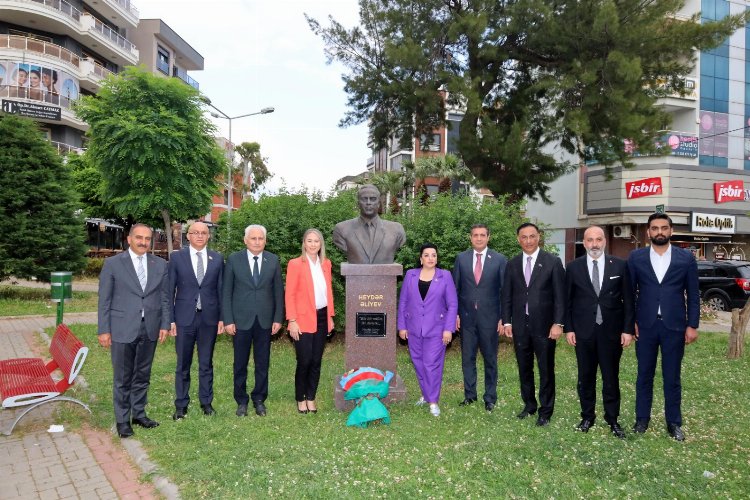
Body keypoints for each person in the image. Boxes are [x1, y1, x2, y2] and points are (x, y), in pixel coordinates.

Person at [628, 213, 699, 441]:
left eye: (664, 228)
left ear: (671, 230)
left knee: (672, 377)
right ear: (648, 232)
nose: (660, 232)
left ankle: (674, 423)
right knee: (644, 375)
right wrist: (630, 323)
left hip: (674, 327)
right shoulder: (636, 257)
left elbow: (693, 294)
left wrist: (692, 325)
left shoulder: (686, 258)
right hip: (645, 327)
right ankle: (642, 419)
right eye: (655, 228)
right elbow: (629, 294)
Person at [97, 224, 170, 438]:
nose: (143, 242)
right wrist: (104, 329)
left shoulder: (160, 264)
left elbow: (165, 298)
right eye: (139, 237)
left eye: (147, 238)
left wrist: (165, 324)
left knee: (143, 374)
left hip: (150, 327)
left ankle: (139, 413)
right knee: (123, 377)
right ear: (129, 239)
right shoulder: (113, 264)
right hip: (122, 327)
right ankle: (122, 420)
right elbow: (104, 300)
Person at [565, 226, 635, 439]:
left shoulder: (620, 265)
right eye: (590, 240)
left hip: (611, 333)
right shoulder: (573, 267)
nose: (594, 244)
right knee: (585, 377)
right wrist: (569, 328)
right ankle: (587, 416)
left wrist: (627, 330)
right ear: (584, 242)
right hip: (583, 332)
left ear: (604, 241)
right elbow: (567, 302)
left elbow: (629, 300)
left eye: (598, 239)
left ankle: (612, 419)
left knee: (610, 377)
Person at [502, 222, 565, 426]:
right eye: (524, 237)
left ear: (539, 237)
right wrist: (507, 321)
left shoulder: (552, 262)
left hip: (545, 326)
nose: (528, 240)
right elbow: (507, 295)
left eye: (532, 236)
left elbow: (560, 296)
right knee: (524, 367)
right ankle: (529, 405)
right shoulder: (512, 264)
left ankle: (545, 411)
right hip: (520, 325)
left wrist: (558, 323)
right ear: (518, 239)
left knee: (546, 369)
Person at [223, 224, 284, 417]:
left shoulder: (272, 260)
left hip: (265, 321)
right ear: (245, 240)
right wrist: (228, 319)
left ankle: (259, 399)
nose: (257, 242)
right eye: (253, 238)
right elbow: (226, 292)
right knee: (240, 363)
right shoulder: (234, 259)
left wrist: (278, 318)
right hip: (240, 320)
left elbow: (278, 292)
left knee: (262, 363)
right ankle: (241, 401)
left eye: (260, 238)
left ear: (265, 241)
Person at [168, 221, 224, 420]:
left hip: (209, 318)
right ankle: (181, 405)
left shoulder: (217, 259)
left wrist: (222, 318)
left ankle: (206, 403)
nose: (200, 236)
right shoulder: (177, 258)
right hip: (184, 319)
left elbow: (221, 290)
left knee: (206, 363)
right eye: (196, 232)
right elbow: (169, 291)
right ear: (188, 236)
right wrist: (170, 320)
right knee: (183, 364)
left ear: (208, 236)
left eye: (204, 233)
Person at [452, 224, 507, 412]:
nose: (479, 238)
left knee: (490, 359)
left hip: (490, 319)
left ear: (488, 237)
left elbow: (504, 291)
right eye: (475, 235)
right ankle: (470, 395)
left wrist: (503, 317)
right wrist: (455, 314)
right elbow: (455, 289)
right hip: (466, 318)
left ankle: (490, 397)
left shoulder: (499, 260)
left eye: (482, 235)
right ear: (470, 237)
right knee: (467, 359)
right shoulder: (461, 259)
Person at [399, 243, 458, 417]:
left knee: (431, 364)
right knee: (418, 363)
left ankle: (433, 402)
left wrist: (448, 329)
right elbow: (403, 302)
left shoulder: (445, 276)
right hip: (413, 328)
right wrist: (402, 326)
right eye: (426, 255)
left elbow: (452, 304)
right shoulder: (410, 275)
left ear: (437, 258)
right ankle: (426, 395)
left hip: (437, 329)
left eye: (434, 255)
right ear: (421, 259)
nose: (430, 258)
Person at [285, 228, 335, 414]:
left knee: (316, 361)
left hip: (322, 316)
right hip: (302, 318)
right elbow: (290, 294)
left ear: (321, 244)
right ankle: (300, 398)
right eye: (309, 241)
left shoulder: (326, 264)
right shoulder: (295, 264)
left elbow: (328, 291)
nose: (313, 244)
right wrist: (292, 320)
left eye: (316, 241)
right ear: (304, 243)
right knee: (304, 360)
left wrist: (330, 316)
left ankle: (311, 397)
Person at [332, 184, 406, 264]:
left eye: (373, 199)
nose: (368, 203)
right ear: (358, 203)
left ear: (379, 203)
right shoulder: (342, 229)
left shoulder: (396, 230)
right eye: (364, 199)